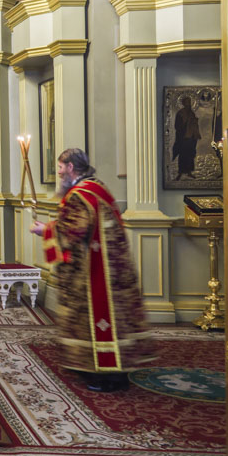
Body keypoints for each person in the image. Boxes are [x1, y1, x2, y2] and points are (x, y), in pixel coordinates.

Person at [30, 148, 154, 392]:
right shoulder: (97, 188)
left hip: (94, 271)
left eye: (61, 168)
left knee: (93, 319)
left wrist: (44, 230)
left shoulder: (79, 195)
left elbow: (73, 232)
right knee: (113, 320)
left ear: (71, 168)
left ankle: (105, 375)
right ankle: (100, 367)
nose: (59, 173)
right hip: (113, 267)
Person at [172, 95, 202, 180]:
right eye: (187, 102)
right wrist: (185, 124)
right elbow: (177, 126)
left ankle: (189, 172)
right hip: (183, 138)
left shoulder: (191, 113)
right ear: (183, 103)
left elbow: (194, 124)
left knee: (190, 155)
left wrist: (194, 122)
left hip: (191, 138)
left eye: (189, 102)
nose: (188, 104)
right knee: (183, 155)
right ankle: (180, 172)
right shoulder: (180, 113)